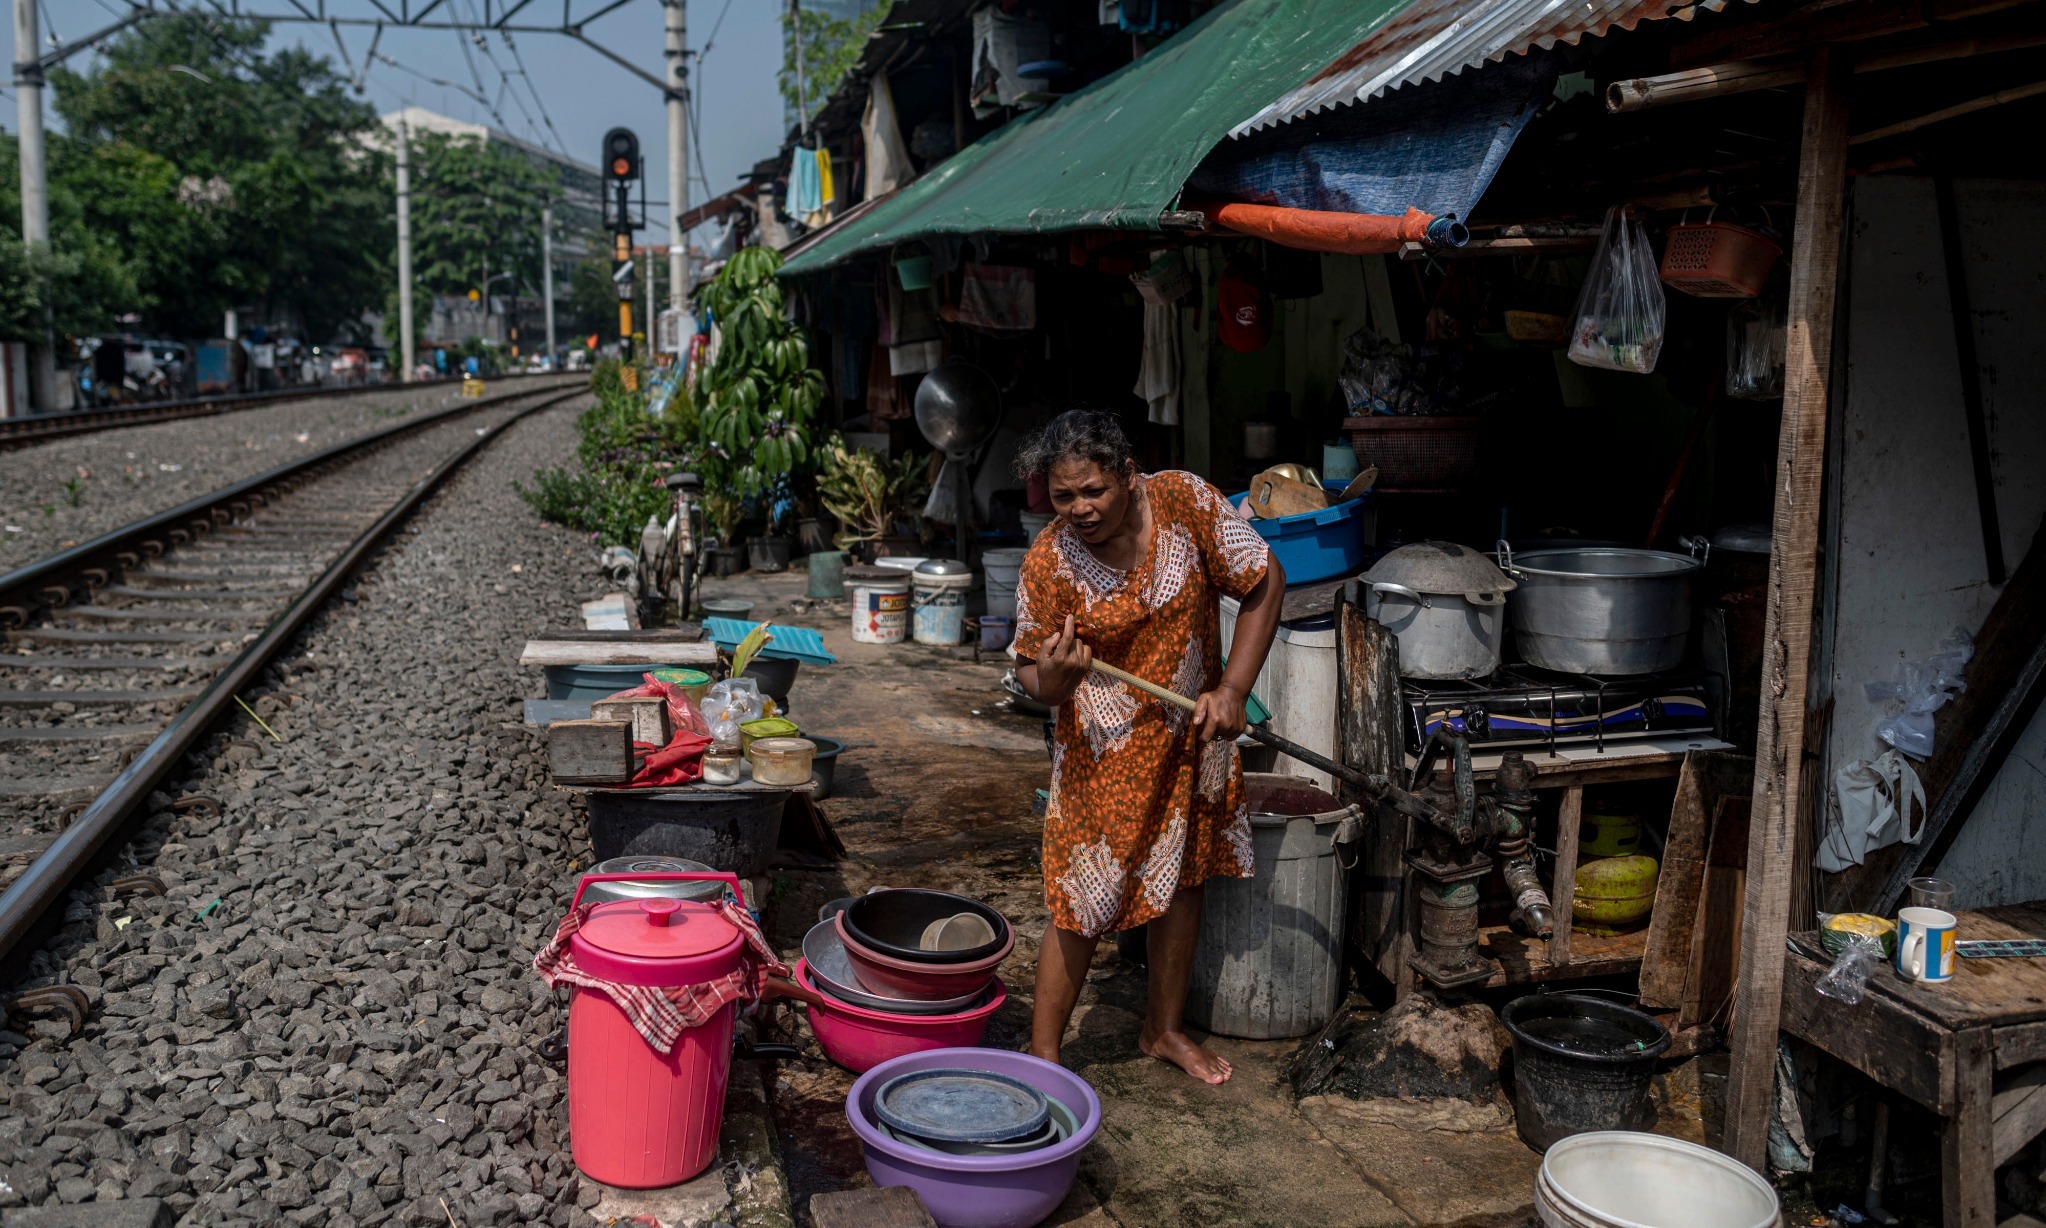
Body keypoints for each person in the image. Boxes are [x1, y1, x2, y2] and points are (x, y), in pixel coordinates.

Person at [1012, 410, 1285, 1085]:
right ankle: (1043, 1056)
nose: (1078, 509)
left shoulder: (1185, 502)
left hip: (1193, 737)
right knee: (1083, 900)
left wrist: (1234, 688)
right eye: (1063, 495)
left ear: (1130, 477)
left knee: (1184, 879)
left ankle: (1162, 1030)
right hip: (1102, 757)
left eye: (1093, 491)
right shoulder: (1049, 562)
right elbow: (1028, 673)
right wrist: (1053, 676)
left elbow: (1264, 579)